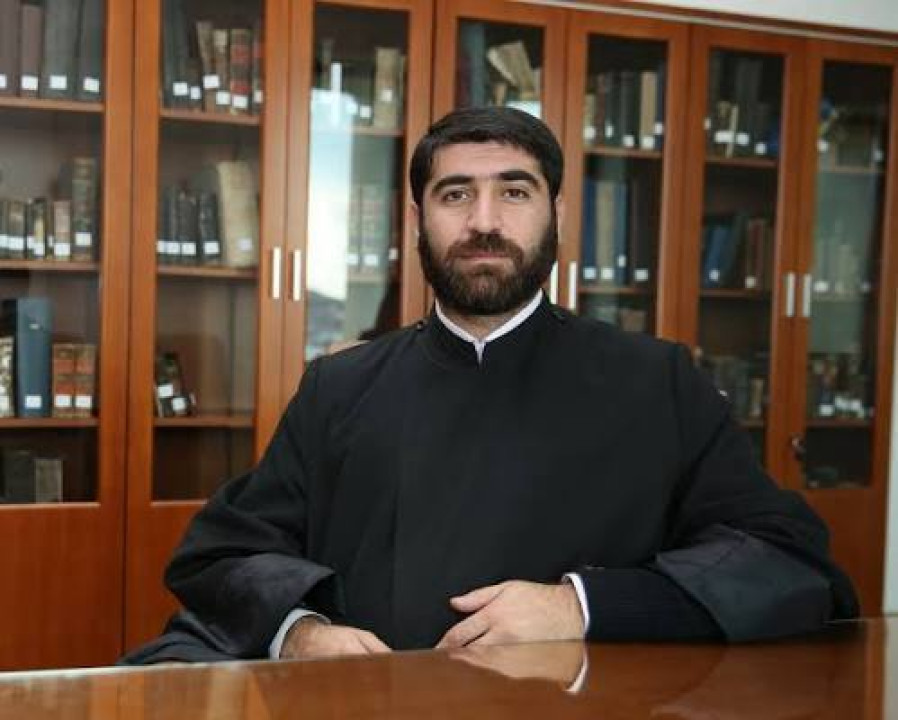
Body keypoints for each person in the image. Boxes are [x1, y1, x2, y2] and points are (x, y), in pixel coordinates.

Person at [122, 106, 857, 665]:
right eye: (455, 195)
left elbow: (786, 560)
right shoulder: (338, 388)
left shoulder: (657, 381)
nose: (483, 222)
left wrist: (582, 606)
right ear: (417, 221)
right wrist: (300, 631)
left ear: (556, 213)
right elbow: (224, 556)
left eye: (513, 192)